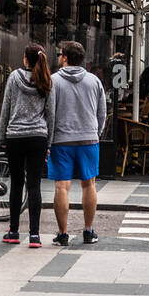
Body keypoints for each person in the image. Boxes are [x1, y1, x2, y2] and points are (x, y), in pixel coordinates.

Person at [48, 40, 107, 247]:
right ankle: (88, 231)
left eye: (59, 54)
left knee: (61, 186)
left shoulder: (53, 81)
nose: (58, 57)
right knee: (89, 184)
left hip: (61, 140)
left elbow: (49, 113)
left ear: (65, 58)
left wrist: (50, 136)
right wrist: (95, 132)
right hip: (88, 139)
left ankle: (63, 234)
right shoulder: (94, 81)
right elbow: (102, 112)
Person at [0, 42, 55, 248]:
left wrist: (2, 136)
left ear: (25, 59)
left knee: (16, 184)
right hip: (38, 137)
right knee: (34, 185)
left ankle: (13, 231)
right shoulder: (47, 80)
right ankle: (34, 235)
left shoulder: (14, 77)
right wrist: (48, 142)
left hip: (15, 136)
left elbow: (6, 107)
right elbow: (51, 115)